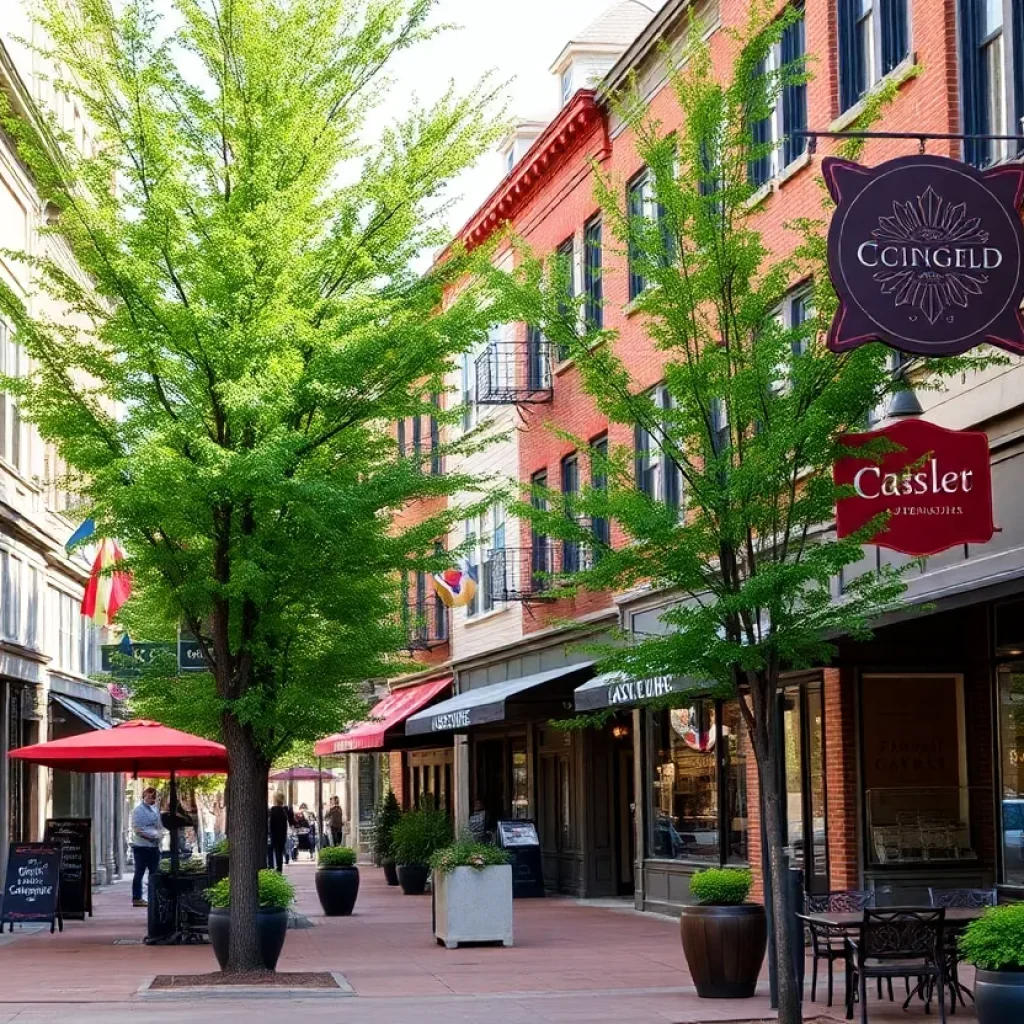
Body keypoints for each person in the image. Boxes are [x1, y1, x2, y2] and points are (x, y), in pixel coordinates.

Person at [131, 786, 163, 908]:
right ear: (145, 796)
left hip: (154, 847)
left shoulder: (155, 810)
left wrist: (159, 836)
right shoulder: (138, 811)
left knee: (154, 873)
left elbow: (159, 826)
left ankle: (153, 896)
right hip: (142, 847)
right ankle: (137, 898)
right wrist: (149, 837)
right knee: (139, 872)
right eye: (151, 796)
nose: (153, 798)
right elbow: (137, 829)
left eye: (154, 795)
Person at [268, 791, 294, 872]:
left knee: (272, 849)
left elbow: (271, 823)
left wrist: (269, 833)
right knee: (280, 850)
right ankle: (279, 868)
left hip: (274, 833)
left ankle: (271, 866)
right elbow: (290, 822)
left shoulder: (273, 810)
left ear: (275, 800)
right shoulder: (285, 810)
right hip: (282, 834)